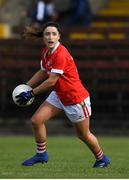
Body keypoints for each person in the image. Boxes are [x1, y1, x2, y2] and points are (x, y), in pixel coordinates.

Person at [16, 21, 110, 168]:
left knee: (83, 135)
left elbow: (51, 81)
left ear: (59, 36)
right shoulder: (47, 52)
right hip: (59, 94)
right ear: (43, 37)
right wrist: (26, 87)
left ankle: (102, 158)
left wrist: (31, 93)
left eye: (54, 34)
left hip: (75, 99)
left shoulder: (61, 54)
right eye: (47, 34)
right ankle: (41, 154)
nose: (50, 37)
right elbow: (42, 72)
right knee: (36, 120)